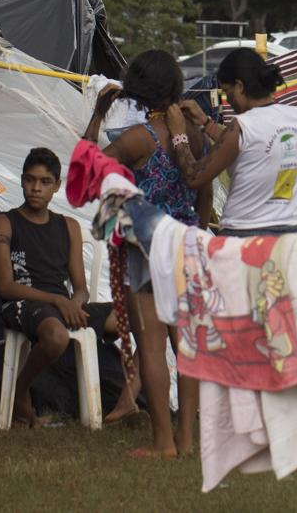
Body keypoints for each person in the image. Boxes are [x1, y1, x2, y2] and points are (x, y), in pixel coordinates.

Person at [83, 49, 210, 459]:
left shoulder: (139, 138)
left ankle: (163, 442)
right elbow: (204, 188)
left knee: (152, 347)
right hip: (188, 243)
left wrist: (99, 115)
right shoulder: (194, 133)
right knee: (185, 343)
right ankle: (188, 438)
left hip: (149, 251)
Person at [0, 148, 140, 427]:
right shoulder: (5, 223)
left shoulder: (67, 226)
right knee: (57, 337)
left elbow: (80, 288)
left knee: (145, 316)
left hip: (63, 306)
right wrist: (59, 301)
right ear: (21, 180)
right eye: (30, 180)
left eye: (45, 182)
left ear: (57, 186)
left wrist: (74, 302)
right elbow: (5, 286)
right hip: (25, 303)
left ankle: (127, 401)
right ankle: (21, 394)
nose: (36, 188)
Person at [167, 48, 297, 239]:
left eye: (227, 91)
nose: (228, 99)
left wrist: (178, 134)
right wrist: (206, 122)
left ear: (240, 86)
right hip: (291, 233)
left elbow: (194, 177)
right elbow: (251, 146)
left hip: (244, 236)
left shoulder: (242, 125)